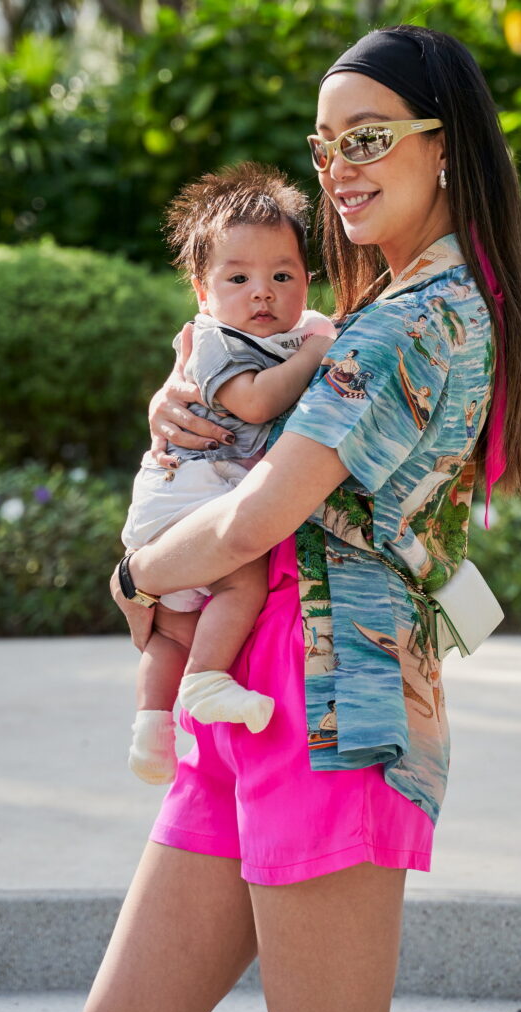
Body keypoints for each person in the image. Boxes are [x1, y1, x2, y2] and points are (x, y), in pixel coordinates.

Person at [82, 24, 521, 1012]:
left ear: (446, 145)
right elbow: (240, 385)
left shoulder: (417, 318)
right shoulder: (379, 306)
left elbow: (256, 517)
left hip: (334, 705)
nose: (337, 168)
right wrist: (179, 394)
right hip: (252, 682)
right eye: (325, 145)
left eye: (367, 137)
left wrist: (136, 575)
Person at [120, 163, 336, 785]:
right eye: (238, 278)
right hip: (186, 492)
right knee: (240, 579)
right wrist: (316, 353)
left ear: (307, 281)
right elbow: (257, 403)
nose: (261, 292)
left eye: (282, 276)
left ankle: (152, 729)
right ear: (202, 291)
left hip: (207, 490)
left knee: (173, 629)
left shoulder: (298, 332)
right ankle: (205, 681)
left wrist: (316, 338)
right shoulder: (215, 341)